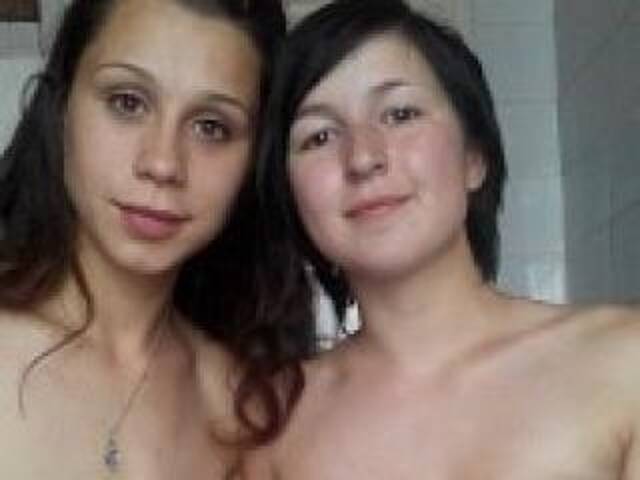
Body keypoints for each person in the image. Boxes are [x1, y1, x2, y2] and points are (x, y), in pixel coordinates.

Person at [244, 0, 640, 477]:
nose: (363, 158)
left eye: (400, 114)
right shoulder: (272, 425)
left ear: (474, 157)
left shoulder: (624, 362)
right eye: (320, 137)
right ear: (291, 195)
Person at [0, 0, 313, 478]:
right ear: (61, 107)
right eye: (128, 102)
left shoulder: (238, 406)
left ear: (254, 161)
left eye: (211, 127)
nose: (163, 163)